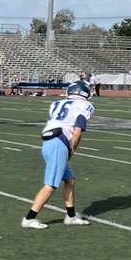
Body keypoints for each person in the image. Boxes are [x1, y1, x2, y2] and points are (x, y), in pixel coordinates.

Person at [21, 80, 94, 229]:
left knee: (70, 179)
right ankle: (29, 219)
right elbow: (78, 132)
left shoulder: (57, 103)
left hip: (49, 139)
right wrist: (71, 149)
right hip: (59, 143)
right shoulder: (84, 106)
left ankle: (71, 216)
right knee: (51, 185)